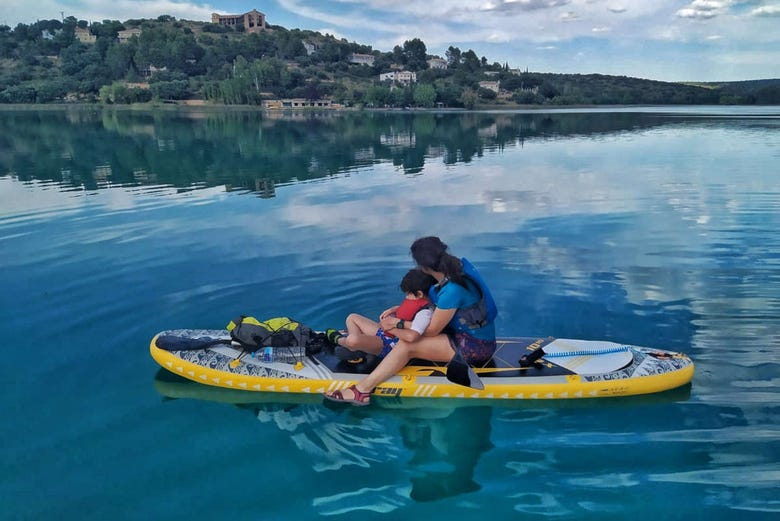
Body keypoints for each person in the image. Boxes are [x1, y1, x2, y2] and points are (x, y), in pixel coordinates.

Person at [324, 236, 497, 406]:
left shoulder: (452, 290)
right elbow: (431, 304)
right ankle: (369, 349)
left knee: (407, 344)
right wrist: (398, 312)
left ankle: (361, 391)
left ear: (424, 266)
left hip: (474, 346)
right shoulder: (455, 267)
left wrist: (397, 323)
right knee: (401, 335)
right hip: (462, 334)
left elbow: (430, 331)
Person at [326, 268, 436, 365]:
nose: (406, 297)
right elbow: (411, 314)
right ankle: (359, 348)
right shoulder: (420, 302)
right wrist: (396, 309)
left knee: (352, 340)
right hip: (386, 335)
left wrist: (389, 328)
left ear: (420, 294)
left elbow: (412, 337)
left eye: (408, 294)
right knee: (352, 317)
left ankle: (342, 341)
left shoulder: (425, 313)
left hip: (390, 346)